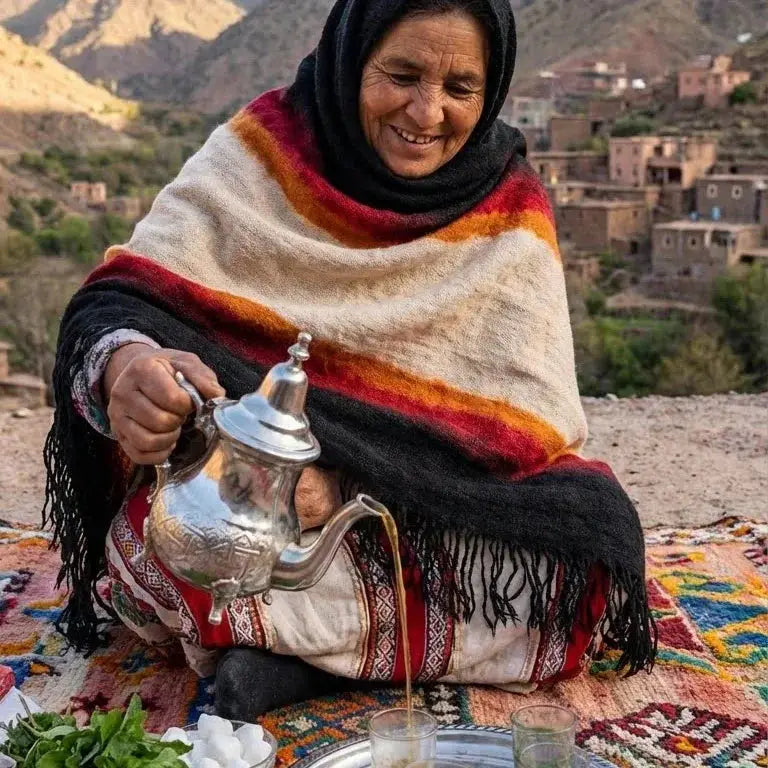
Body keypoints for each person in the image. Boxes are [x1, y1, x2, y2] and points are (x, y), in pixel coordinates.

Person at [45, 0, 655, 720]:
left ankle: (295, 661)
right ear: (350, 60)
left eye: (460, 89)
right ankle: (336, 648)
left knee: (581, 570)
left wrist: (342, 492)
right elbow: (120, 299)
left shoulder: (507, 203)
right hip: (252, 507)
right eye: (400, 75)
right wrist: (128, 369)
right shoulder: (262, 153)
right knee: (156, 550)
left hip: (421, 518)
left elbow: (527, 430)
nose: (426, 113)